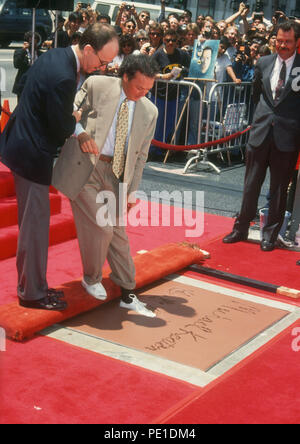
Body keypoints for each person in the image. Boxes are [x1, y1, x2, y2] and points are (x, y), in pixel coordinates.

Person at [0, 23, 119, 311]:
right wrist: (75, 120)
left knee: (34, 226)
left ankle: (32, 287)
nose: (102, 68)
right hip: (31, 153)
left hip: (21, 143)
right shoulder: (64, 76)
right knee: (35, 228)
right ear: (88, 49)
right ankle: (32, 294)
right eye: (102, 61)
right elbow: (59, 126)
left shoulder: (56, 55)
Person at [52, 55, 159, 317]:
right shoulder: (97, 84)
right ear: (125, 76)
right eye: (139, 88)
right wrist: (81, 133)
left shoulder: (149, 110)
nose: (143, 93)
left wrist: (132, 189)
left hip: (117, 174)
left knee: (118, 234)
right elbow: (70, 112)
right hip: (85, 167)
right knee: (102, 228)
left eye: (148, 89)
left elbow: (141, 155)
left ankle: (127, 291)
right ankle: (91, 277)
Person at [223, 21, 300, 252]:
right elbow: (257, 95)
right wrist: (261, 119)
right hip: (260, 133)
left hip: (287, 137)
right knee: (250, 184)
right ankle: (241, 228)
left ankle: (269, 235)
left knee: (278, 189)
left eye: (287, 41)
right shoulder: (264, 62)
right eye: (279, 40)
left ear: (297, 42)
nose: (282, 45)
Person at [12, 31, 42, 102]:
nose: (33, 43)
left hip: (35, 85)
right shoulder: (20, 52)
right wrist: (23, 50)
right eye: (31, 40)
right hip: (23, 85)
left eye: (35, 40)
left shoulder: (40, 54)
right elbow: (16, 64)